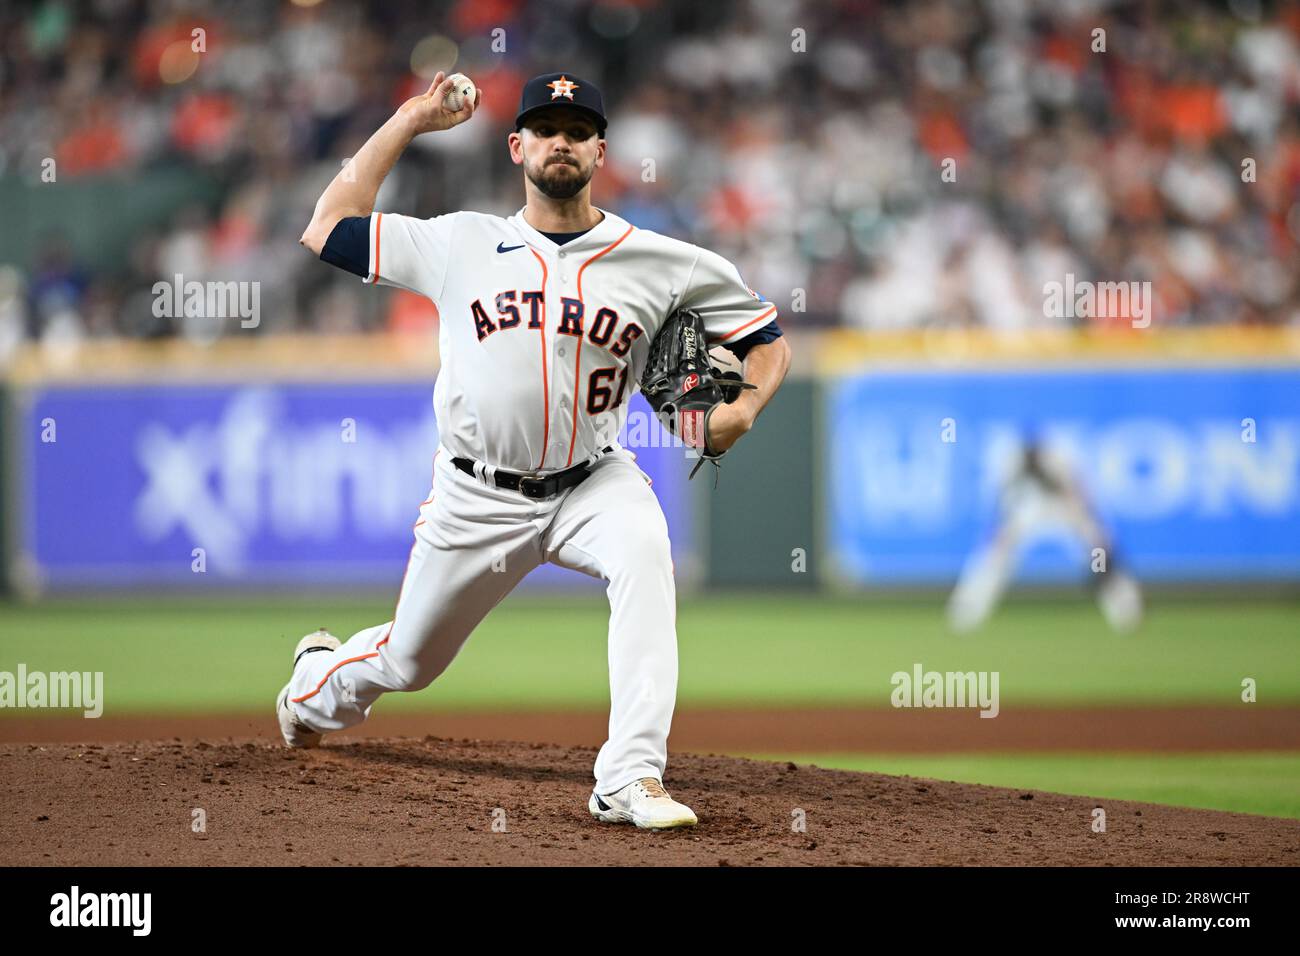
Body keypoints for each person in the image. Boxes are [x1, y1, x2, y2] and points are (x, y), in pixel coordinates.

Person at [278, 71, 791, 829]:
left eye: (578, 130)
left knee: (647, 555)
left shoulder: (663, 260)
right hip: (475, 495)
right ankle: (314, 684)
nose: (562, 141)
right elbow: (327, 225)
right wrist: (411, 118)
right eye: (547, 128)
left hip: (595, 481)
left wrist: (745, 406)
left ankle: (629, 776)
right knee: (409, 663)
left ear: (600, 151)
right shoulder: (459, 242)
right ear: (517, 146)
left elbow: (766, 339)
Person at [947, 439, 1143, 634]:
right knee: (995, 555)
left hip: (1064, 507)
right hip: (1029, 508)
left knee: (1099, 553)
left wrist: (1096, 534)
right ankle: (967, 610)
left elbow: (1081, 495)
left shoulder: (1061, 459)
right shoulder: (1012, 463)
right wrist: (998, 530)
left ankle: (1125, 609)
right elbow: (1004, 501)